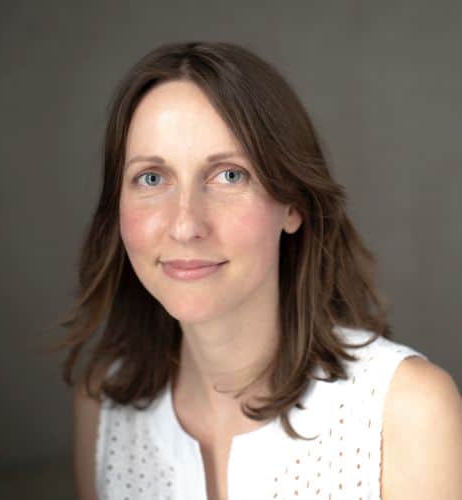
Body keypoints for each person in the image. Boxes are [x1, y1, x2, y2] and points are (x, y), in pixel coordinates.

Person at [55, 41, 462, 500]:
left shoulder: (407, 412)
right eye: (151, 178)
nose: (185, 225)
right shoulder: (104, 406)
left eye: (229, 175)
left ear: (293, 205)